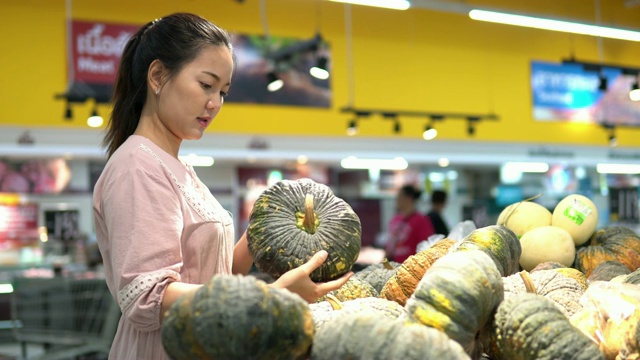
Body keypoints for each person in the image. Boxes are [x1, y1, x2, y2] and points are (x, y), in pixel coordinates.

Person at [92, 13, 350, 360]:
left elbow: (215, 275)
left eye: (223, 91)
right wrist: (270, 297)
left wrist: (266, 228)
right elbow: (147, 298)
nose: (215, 103)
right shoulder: (137, 166)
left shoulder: (177, 166)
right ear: (157, 76)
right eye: (206, 85)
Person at [385, 185, 435, 262]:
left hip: (412, 266)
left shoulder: (421, 220)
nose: (397, 200)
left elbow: (426, 247)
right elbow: (390, 244)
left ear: (409, 198)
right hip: (394, 265)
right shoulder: (395, 219)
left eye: (400, 196)